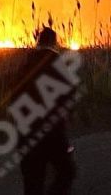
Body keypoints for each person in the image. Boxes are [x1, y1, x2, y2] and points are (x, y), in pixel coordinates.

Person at [17, 27, 77, 195]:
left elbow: (13, 100)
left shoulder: (24, 66)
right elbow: (68, 97)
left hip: (26, 133)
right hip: (52, 133)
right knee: (66, 172)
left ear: (38, 42)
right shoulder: (58, 65)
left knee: (32, 182)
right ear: (54, 43)